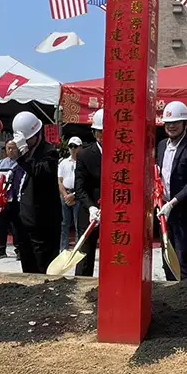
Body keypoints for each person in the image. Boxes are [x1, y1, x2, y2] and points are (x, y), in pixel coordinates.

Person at [156, 101, 187, 280]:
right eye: (168, 123)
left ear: (185, 123)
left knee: (182, 258)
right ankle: (170, 294)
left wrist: (172, 203)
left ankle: (184, 298)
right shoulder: (162, 145)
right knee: (166, 257)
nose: (171, 126)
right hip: (163, 211)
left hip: (184, 211)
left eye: (176, 123)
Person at [12, 111, 61, 274]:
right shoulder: (21, 154)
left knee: (43, 266)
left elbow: (40, 173)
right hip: (24, 219)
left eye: (27, 140)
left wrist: (24, 154)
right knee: (27, 265)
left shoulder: (49, 152)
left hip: (43, 222)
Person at [74, 109, 103, 277]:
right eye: (99, 132)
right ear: (93, 132)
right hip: (89, 213)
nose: (102, 135)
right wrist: (91, 207)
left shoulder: (123, 153)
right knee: (84, 255)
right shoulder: (84, 154)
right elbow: (80, 187)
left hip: (115, 213)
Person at [0, 141, 23, 261]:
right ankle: (0, 249)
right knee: (0, 225)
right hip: (2, 199)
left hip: (15, 198)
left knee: (16, 226)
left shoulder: (20, 164)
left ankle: (19, 249)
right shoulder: (0, 163)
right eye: (8, 148)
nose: (10, 150)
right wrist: (0, 190)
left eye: (13, 148)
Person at [58, 136, 82, 251]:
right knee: (64, 224)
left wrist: (75, 195)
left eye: (75, 146)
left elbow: (85, 182)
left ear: (80, 148)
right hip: (65, 194)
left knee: (79, 224)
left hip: (78, 195)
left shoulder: (83, 162)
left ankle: (77, 249)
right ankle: (63, 249)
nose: (73, 149)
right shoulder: (63, 163)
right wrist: (65, 195)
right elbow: (60, 181)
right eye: (71, 146)